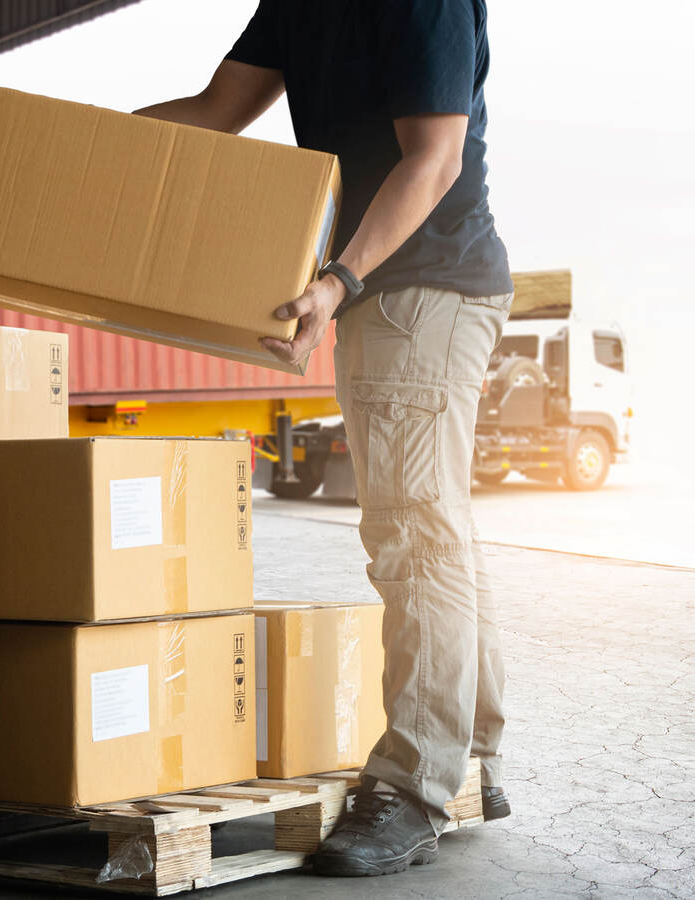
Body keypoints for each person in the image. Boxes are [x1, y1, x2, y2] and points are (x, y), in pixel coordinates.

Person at [135, 0, 513, 878]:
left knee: (414, 538)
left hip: (428, 285)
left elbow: (437, 156)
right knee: (436, 527)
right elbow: (215, 111)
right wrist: (73, 141)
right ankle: (474, 753)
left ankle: (415, 787)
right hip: (389, 289)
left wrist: (337, 278)